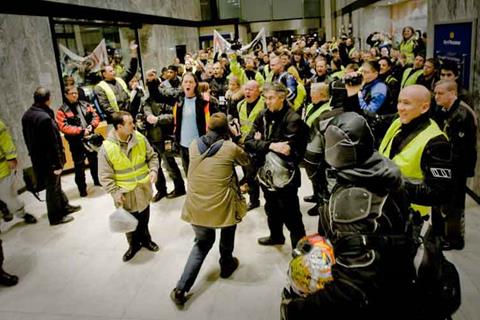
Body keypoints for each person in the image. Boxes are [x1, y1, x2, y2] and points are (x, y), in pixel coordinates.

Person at [282, 112, 413, 319]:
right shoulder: (382, 168)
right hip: (397, 264)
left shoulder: (354, 202)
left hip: (380, 290)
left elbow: (354, 286)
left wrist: (299, 309)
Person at [170, 113, 249, 306]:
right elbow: (246, 160)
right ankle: (226, 264)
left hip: (196, 205)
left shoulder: (194, 144)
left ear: (207, 128)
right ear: (226, 130)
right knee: (229, 226)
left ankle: (181, 288)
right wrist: (236, 137)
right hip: (222, 204)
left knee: (202, 244)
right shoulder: (231, 148)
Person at [245, 82, 307, 248]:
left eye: (271, 98)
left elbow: (287, 149)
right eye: (265, 98)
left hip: (286, 176)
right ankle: (276, 236)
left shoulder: (293, 118)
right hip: (265, 173)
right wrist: (271, 145)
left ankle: (300, 253)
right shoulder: (262, 115)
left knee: (292, 216)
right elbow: (248, 142)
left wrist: (262, 142)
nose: (267, 102)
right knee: (271, 210)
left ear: (282, 98)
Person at [379, 85, 453, 219]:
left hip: (412, 217)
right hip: (385, 208)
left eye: (406, 103)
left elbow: (439, 193)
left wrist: (390, 185)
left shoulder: (436, 142)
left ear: (424, 107)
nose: (400, 107)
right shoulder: (399, 122)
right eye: (399, 102)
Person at [98, 111, 160, 262]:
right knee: (128, 223)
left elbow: (152, 157)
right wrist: (114, 192)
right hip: (124, 195)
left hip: (143, 190)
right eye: (130, 123)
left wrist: (153, 170)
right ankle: (133, 246)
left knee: (144, 218)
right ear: (119, 127)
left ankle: (146, 240)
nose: (134, 125)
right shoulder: (107, 148)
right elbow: (104, 175)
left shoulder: (139, 138)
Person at [22, 87, 81, 225]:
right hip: (49, 161)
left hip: (38, 158)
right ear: (48, 99)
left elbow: (27, 138)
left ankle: (64, 206)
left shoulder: (27, 115)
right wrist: (56, 164)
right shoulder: (44, 118)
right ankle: (55, 217)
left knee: (55, 185)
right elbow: (52, 143)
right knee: (52, 188)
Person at [432, 80, 477, 250]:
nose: (436, 97)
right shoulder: (444, 109)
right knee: (441, 201)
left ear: (452, 93)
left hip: (457, 167)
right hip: (445, 164)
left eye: (440, 94)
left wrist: (448, 169)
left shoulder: (462, 114)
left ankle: (454, 239)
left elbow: (460, 149)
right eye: (435, 93)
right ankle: (439, 233)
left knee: (454, 204)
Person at [144, 70, 186, 202]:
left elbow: (173, 116)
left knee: (169, 164)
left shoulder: (167, 99)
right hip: (150, 137)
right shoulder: (146, 99)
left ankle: (179, 188)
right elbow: (143, 112)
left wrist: (158, 119)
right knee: (155, 166)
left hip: (165, 136)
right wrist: (147, 117)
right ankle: (161, 190)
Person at [56, 86, 101, 197]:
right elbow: (63, 127)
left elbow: (96, 117)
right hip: (76, 141)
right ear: (66, 95)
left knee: (94, 161)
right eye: (72, 93)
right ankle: (82, 189)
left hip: (90, 138)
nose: (75, 95)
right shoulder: (62, 111)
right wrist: (81, 131)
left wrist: (91, 126)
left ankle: (97, 180)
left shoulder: (86, 104)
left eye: (76, 93)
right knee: (79, 165)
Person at [0, 119, 37, 224]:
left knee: (7, 195)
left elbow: (6, 141)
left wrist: (11, 158)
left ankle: (22, 213)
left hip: (2, 168)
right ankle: (4, 211)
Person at [303, 83, 331, 217]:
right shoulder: (311, 106)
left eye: (313, 92)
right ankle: (315, 195)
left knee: (320, 178)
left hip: (320, 149)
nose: (310, 94)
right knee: (313, 176)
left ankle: (320, 205)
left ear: (321, 95)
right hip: (309, 143)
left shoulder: (326, 110)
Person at [237, 80, 266, 211]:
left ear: (258, 90)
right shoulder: (240, 105)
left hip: (261, 146)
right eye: (246, 89)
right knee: (249, 175)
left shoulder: (264, 104)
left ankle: (271, 201)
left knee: (264, 175)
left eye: (251, 89)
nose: (247, 92)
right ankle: (254, 200)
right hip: (245, 146)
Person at [94, 41, 138, 123]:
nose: (113, 72)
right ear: (104, 74)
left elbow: (131, 70)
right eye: (110, 71)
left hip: (130, 113)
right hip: (116, 119)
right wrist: (119, 117)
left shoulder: (120, 79)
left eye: (113, 70)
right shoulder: (99, 87)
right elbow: (105, 106)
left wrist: (133, 54)